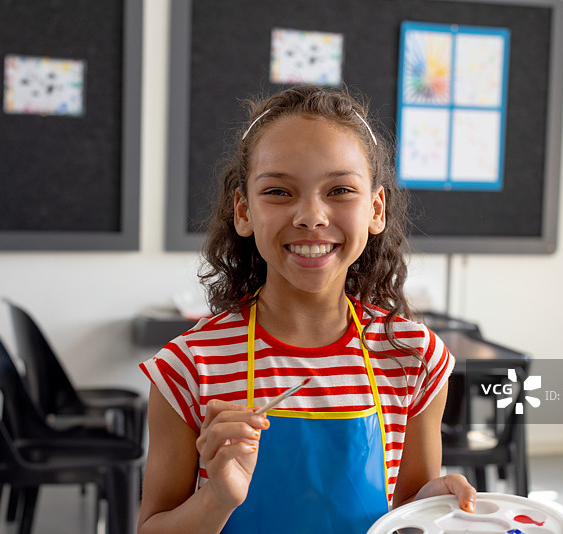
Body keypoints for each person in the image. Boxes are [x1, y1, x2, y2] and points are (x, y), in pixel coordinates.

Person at [137, 85, 476, 534]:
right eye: (278, 191)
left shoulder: (414, 358)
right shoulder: (188, 368)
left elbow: (403, 509)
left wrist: (428, 506)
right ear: (244, 210)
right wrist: (216, 500)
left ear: (376, 209)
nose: (311, 216)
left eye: (339, 190)